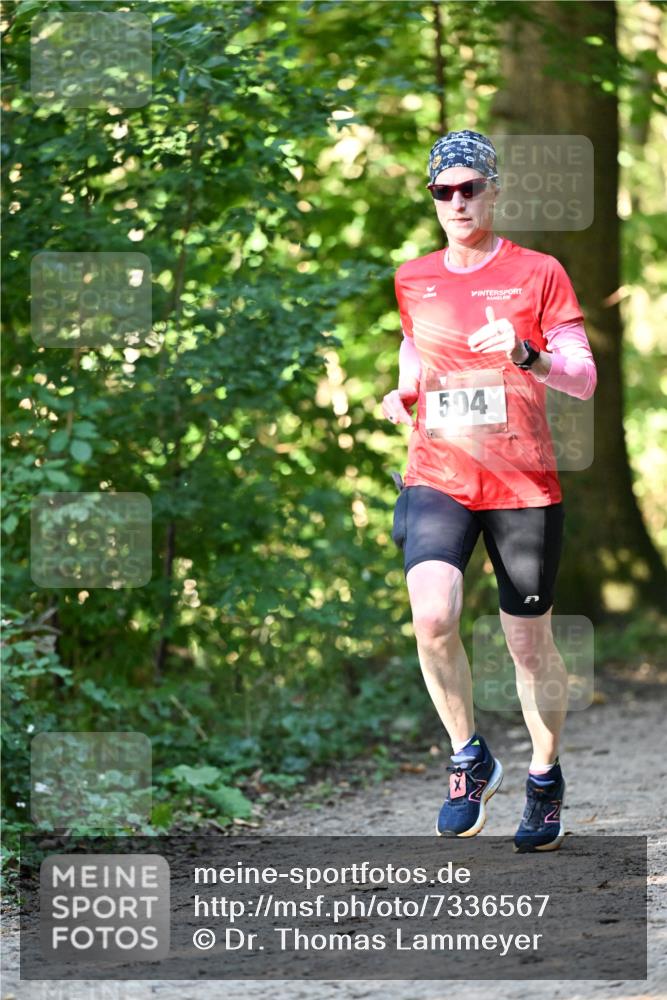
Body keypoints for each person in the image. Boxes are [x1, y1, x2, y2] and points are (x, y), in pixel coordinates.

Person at [382, 129, 597, 852]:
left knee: (527, 647)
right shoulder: (412, 277)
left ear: (493, 192)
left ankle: (542, 777)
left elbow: (581, 376)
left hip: (521, 484)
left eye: (469, 187)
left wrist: (526, 353)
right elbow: (417, 345)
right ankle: (468, 757)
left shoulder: (539, 272)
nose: (456, 201)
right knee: (433, 619)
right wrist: (403, 389)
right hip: (437, 474)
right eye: (443, 190)